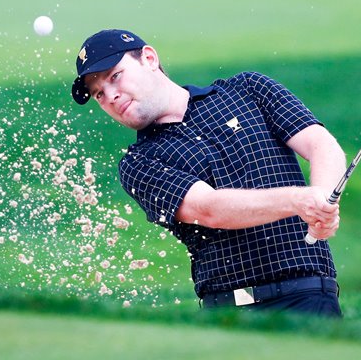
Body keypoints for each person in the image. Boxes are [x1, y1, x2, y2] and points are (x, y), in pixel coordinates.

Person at [71, 29, 346, 317]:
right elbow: (210, 209)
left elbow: (322, 145)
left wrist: (323, 202)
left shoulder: (248, 89)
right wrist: (299, 201)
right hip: (232, 314)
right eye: (98, 94)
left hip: (312, 296)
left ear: (149, 58)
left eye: (115, 76)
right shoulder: (139, 164)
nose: (111, 96)